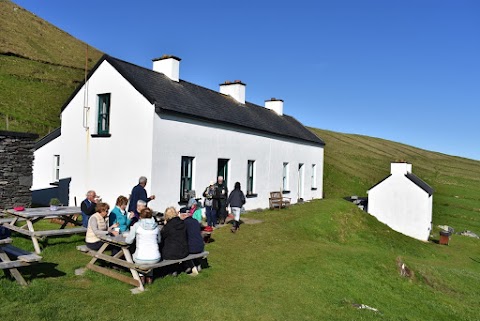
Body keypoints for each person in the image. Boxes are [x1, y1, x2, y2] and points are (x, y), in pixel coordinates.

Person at [125, 207, 161, 285]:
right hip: (155, 258)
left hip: (140, 258)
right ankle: (149, 277)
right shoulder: (156, 226)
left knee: (138, 255)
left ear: (140, 216)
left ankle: (141, 276)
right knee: (150, 253)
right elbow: (159, 241)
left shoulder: (137, 225)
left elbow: (129, 241)